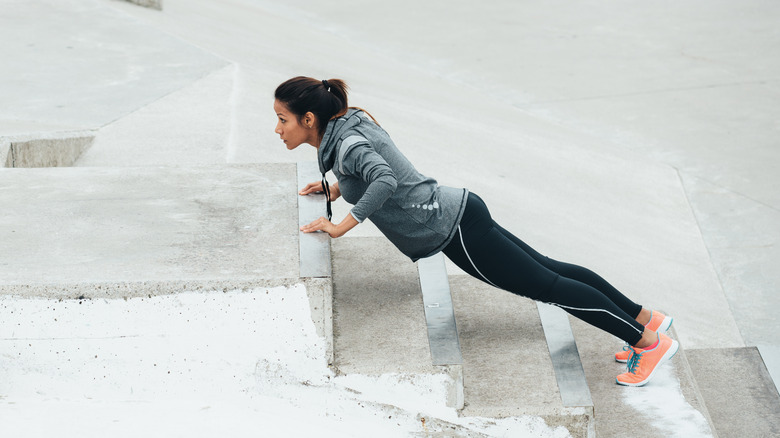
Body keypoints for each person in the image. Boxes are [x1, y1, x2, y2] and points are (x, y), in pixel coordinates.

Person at [274, 76, 678, 387]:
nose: (278, 129)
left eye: (282, 119)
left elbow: (383, 179)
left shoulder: (345, 145)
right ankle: (647, 319)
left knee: (549, 287)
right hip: (461, 209)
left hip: (452, 229)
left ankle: (648, 343)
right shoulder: (347, 126)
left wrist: (343, 223)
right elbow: (377, 171)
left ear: (309, 120)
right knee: (552, 271)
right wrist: (336, 187)